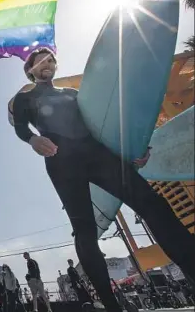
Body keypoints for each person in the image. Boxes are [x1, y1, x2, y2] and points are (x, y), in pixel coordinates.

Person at [11, 47, 195, 312]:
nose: (47, 63)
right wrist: (33, 139)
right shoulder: (25, 98)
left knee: (151, 202)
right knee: (85, 230)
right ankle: (110, 305)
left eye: (51, 59)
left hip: (95, 153)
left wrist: (134, 149)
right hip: (61, 160)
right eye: (41, 60)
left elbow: (105, 125)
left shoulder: (73, 94)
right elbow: (20, 128)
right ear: (30, 69)